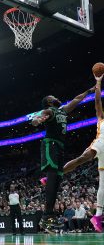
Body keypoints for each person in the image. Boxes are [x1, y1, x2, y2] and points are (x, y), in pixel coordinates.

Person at [32, 87, 95, 230]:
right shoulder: (49, 111)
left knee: (57, 180)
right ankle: (47, 215)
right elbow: (37, 118)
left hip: (59, 147)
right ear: (49, 102)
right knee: (53, 176)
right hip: (50, 144)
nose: (56, 96)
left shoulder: (62, 110)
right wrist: (37, 120)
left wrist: (89, 91)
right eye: (52, 96)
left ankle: (48, 216)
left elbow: (77, 99)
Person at [63, 75, 104, 232]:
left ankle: (98, 216)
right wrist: (98, 82)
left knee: (103, 183)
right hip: (101, 142)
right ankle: (57, 173)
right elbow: (98, 101)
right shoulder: (101, 118)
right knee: (82, 158)